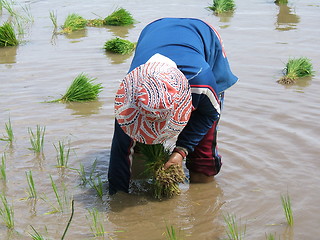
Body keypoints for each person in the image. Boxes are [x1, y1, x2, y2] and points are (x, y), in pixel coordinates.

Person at [108, 18, 238, 195]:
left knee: (203, 153)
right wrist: (118, 197)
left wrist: (181, 151)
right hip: (153, 30)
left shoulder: (202, 83)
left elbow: (209, 116)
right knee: (136, 143)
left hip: (203, 35)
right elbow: (120, 150)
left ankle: (203, 195)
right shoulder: (133, 93)